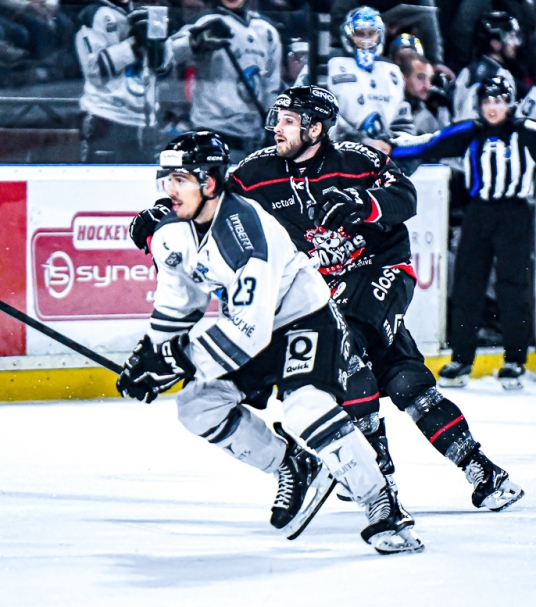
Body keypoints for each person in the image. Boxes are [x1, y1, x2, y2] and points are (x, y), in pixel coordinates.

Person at [129, 85, 524, 513]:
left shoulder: (357, 159)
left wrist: (361, 202)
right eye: (276, 118)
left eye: (288, 120)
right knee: (406, 380)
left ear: (315, 127)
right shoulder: (258, 171)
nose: (276, 128)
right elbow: (212, 197)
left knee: (346, 354)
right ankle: (483, 469)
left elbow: (405, 196)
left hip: (380, 272)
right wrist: (161, 217)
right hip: (324, 290)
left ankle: (379, 471)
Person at [118, 130, 423, 554]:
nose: (169, 190)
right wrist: (151, 353)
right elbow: (178, 304)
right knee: (195, 406)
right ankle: (291, 465)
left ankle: (381, 504)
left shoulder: (244, 231)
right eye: (166, 179)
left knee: (305, 410)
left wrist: (181, 361)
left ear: (209, 183)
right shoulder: (173, 233)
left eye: (180, 179)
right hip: (256, 328)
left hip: (307, 322)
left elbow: (249, 332)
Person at [392, 76, 535, 391]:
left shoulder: (526, 132)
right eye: (487, 102)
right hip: (479, 213)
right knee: (468, 284)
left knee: (513, 286)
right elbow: (430, 143)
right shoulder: (470, 131)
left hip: (515, 214)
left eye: (498, 101)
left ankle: (515, 359)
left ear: (509, 104)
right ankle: (461, 357)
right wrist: (386, 149)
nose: (492, 108)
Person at [166, 0, 282, 162]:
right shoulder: (206, 22)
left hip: (253, 136)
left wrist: (273, 128)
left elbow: (271, 86)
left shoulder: (267, 32)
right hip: (211, 130)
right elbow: (167, 55)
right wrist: (195, 42)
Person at [75, 0, 169, 163]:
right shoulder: (94, 15)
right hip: (105, 117)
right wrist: (135, 44)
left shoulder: (147, 11)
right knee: (100, 184)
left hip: (145, 121)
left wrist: (158, 47)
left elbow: (164, 68)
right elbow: (95, 71)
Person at [327, 6, 414, 155]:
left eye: (371, 34)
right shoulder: (328, 65)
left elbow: (404, 123)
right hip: (335, 158)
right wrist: (358, 142)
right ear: (348, 34)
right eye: (360, 33)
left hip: (384, 158)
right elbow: (313, 117)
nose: (366, 40)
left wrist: (392, 146)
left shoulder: (392, 71)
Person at [452, 11, 519, 122]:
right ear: (495, 44)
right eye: (510, 37)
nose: (515, 43)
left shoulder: (467, 71)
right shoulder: (501, 76)